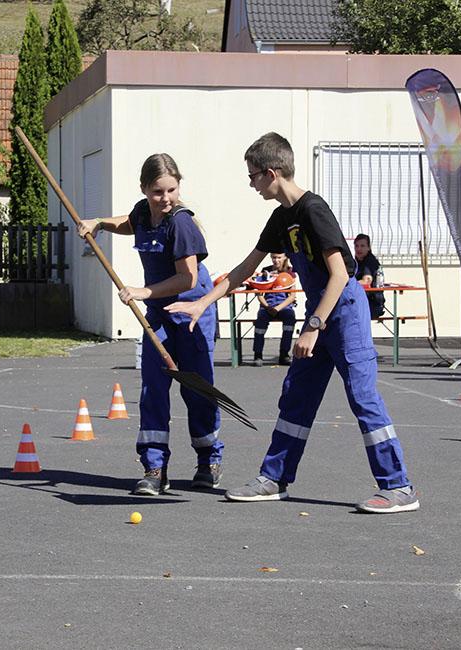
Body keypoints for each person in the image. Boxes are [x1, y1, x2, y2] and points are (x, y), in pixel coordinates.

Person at [168, 132, 418, 513]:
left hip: (343, 312)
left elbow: (338, 274)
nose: (250, 183)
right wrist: (202, 302)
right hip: (320, 311)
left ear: (272, 173)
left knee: (363, 398)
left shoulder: (313, 210)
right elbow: (245, 268)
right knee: (296, 399)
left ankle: (399, 487)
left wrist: (314, 325)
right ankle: (274, 478)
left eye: (252, 176)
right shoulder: (281, 217)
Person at [76, 153, 223, 495]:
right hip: (158, 314)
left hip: (189, 314)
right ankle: (155, 467)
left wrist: (143, 291)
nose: (166, 198)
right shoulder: (144, 212)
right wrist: (98, 222)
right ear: (144, 190)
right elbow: (129, 223)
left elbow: (187, 279)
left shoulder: (182, 223)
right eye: (158, 192)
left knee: (197, 388)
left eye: (171, 190)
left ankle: (208, 459)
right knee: (153, 389)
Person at [251, 252, 296, 366]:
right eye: (274, 257)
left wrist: (278, 308)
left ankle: (284, 354)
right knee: (260, 321)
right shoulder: (265, 271)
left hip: (284, 307)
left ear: (285, 257)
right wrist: (267, 307)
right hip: (267, 306)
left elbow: (292, 296)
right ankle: (258, 355)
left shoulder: (290, 272)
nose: (276, 260)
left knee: (290, 319)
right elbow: (259, 293)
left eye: (279, 258)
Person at [353, 233, 385, 319]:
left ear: (368, 248)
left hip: (372, 304)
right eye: (356, 246)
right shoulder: (357, 262)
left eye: (362, 246)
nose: (359, 249)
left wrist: (348, 284)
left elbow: (366, 281)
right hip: (361, 301)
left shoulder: (369, 261)